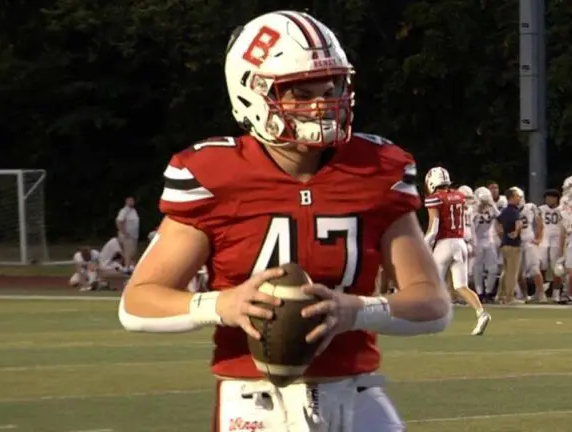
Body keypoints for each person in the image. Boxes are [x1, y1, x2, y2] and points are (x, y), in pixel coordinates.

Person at [119, 10, 450, 432]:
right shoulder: (214, 172)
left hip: (356, 390)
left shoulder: (377, 168)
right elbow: (137, 301)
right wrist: (220, 304)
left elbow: (433, 304)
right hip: (253, 399)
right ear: (252, 95)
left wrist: (357, 311)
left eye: (331, 86)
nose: (324, 102)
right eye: (301, 91)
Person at [424, 168, 491, 334]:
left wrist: (423, 245)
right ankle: (481, 313)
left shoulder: (435, 199)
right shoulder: (459, 196)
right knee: (461, 286)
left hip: (445, 243)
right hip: (460, 243)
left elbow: (433, 229)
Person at [495, 187, 522, 304]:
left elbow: (497, 222)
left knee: (505, 271)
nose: (519, 198)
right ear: (511, 198)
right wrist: (516, 232)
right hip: (513, 245)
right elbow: (518, 223)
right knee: (512, 272)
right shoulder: (514, 210)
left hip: (505, 243)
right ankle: (509, 297)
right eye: (517, 196)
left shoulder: (505, 211)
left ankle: (500, 295)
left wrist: (500, 234)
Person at [116, 196, 140, 267]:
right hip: (127, 236)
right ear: (126, 201)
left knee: (132, 252)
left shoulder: (133, 210)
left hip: (134, 236)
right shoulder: (124, 211)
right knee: (127, 253)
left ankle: (127, 266)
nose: (131, 202)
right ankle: (126, 268)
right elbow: (119, 221)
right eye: (130, 200)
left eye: (132, 200)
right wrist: (124, 232)